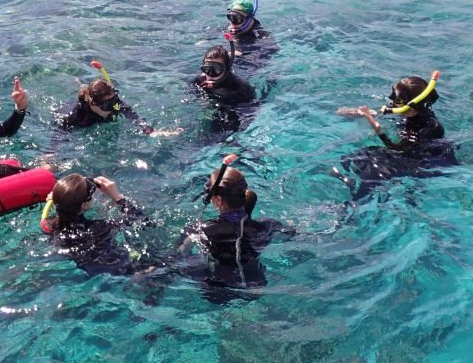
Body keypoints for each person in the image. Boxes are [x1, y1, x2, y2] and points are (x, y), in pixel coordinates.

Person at [335, 73, 457, 202]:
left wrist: (378, 130)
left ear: (410, 105)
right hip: (407, 154)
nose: (391, 101)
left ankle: (355, 203)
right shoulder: (404, 112)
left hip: (428, 163)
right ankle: (350, 184)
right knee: (354, 157)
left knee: (375, 165)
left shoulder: (428, 126)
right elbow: (342, 112)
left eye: (396, 99)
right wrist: (357, 112)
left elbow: (397, 150)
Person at [176, 166, 292, 298]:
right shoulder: (267, 226)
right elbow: (292, 234)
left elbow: (179, 256)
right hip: (256, 286)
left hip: (216, 293)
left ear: (218, 200)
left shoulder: (200, 230)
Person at [41, 173, 152, 276]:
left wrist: (58, 199)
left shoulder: (48, 226)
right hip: (119, 268)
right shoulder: (101, 228)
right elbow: (143, 222)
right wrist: (118, 198)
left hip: (88, 270)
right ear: (84, 205)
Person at [56, 78, 182, 137]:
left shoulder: (116, 104)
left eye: (114, 99)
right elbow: (60, 133)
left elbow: (135, 118)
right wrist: (51, 153)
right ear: (93, 104)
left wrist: (152, 132)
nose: (113, 106)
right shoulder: (76, 114)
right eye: (107, 104)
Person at [223, 0, 278, 72]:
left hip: (248, 67)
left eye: (237, 18)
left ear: (249, 18)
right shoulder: (229, 27)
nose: (233, 22)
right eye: (230, 17)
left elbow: (272, 49)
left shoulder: (260, 34)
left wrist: (243, 54)